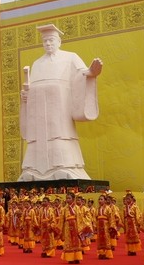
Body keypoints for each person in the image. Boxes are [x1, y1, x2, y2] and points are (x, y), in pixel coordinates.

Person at [18, 24, 103, 181]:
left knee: (60, 135)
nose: (48, 44)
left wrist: (90, 73)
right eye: (45, 42)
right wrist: (26, 96)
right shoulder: (37, 63)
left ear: (59, 42)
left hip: (59, 108)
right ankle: (34, 169)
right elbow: (31, 87)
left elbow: (80, 75)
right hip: (39, 110)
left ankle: (64, 166)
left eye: (51, 40)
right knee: (38, 137)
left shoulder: (70, 57)